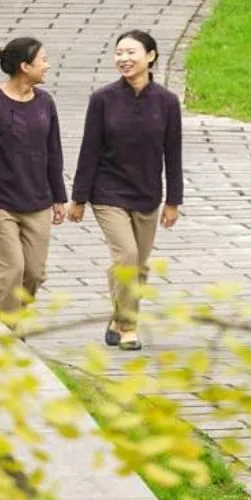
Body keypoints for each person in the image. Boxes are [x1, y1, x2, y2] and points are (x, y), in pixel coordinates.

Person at [68, 28, 182, 351]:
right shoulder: (102, 100)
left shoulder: (167, 102)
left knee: (137, 267)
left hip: (147, 194)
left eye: (131, 53)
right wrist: (79, 198)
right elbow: (89, 150)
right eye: (119, 53)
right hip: (108, 192)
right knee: (127, 256)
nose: (123, 59)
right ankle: (128, 327)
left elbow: (173, 153)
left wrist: (173, 200)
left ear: (151, 56)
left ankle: (117, 317)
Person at [0, 35, 66, 320]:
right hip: (0, 204)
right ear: (25, 66)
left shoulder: (45, 102)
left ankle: (13, 317)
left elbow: (53, 151)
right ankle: (8, 334)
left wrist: (59, 197)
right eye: (43, 61)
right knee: (12, 271)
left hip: (38, 202)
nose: (47, 66)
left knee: (33, 273)